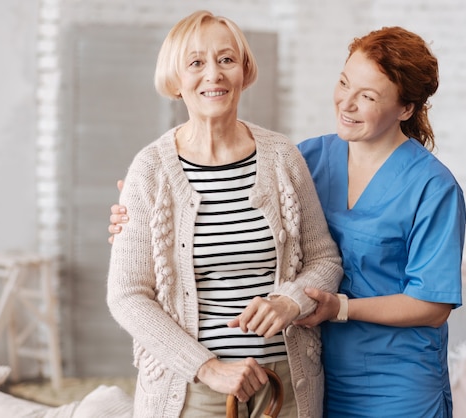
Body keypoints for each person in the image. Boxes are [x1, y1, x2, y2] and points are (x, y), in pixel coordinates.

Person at [110, 25, 466, 418]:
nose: (346, 104)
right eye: (344, 83)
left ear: (406, 108)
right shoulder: (309, 157)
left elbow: (432, 303)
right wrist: (140, 217)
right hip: (322, 373)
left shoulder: (433, 187)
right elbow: (217, 215)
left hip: (394, 381)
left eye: (366, 97)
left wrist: (336, 307)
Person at [106, 10, 342, 418]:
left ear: (243, 70)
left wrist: (291, 301)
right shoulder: (150, 169)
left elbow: (325, 258)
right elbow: (127, 295)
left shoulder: (283, 157)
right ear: (176, 80)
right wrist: (208, 368)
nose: (213, 74)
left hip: (286, 383)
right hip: (193, 390)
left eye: (226, 60)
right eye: (196, 63)